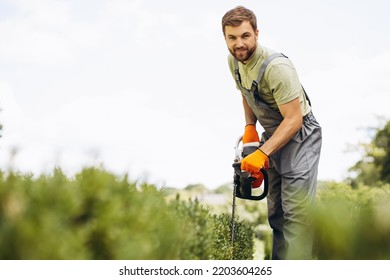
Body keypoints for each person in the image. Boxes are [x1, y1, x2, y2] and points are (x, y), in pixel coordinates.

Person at [222, 6, 322, 259]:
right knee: (276, 214)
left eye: (245, 36)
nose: (239, 44)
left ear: (256, 33)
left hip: (300, 136)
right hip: (272, 134)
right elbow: (246, 93)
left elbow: (294, 120)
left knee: (296, 216)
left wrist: (262, 153)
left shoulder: (277, 67)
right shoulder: (234, 61)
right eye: (232, 38)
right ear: (225, 38)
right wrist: (250, 128)